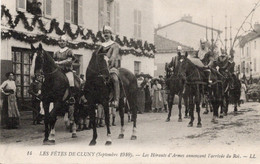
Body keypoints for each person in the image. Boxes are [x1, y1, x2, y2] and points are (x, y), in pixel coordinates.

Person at [96, 25, 121, 108]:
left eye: (107, 33)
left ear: (111, 34)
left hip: (111, 67)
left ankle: (116, 100)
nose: (106, 34)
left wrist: (108, 62)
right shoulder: (101, 45)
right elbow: (96, 55)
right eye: (105, 33)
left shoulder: (115, 45)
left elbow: (113, 57)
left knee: (114, 79)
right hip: (101, 68)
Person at [53, 35, 76, 102]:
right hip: (58, 71)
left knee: (71, 81)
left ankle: (71, 96)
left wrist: (59, 63)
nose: (61, 42)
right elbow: (53, 60)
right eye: (60, 41)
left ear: (66, 42)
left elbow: (69, 60)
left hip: (67, 70)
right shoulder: (57, 52)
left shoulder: (69, 51)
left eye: (63, 41)